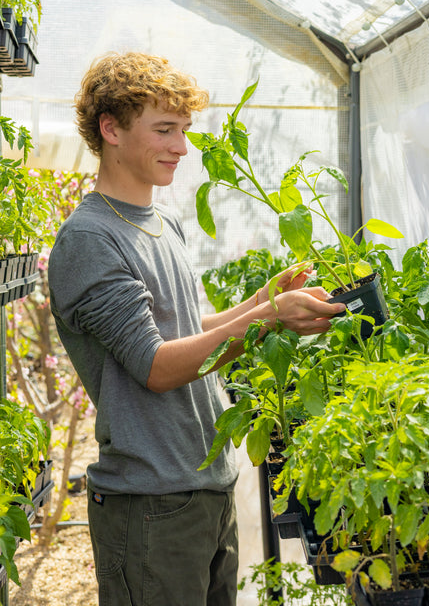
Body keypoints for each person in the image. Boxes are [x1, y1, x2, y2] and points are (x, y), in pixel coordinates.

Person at [48, 51, 344, 606]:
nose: (182, 148)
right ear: (110, 129)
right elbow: (157, 366)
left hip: (203, 484)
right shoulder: (89, 240)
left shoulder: (163, 222)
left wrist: (263, 300)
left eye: (183, 131)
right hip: (152, 501)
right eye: (164, 130)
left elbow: (183, 328)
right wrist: (266, 321)